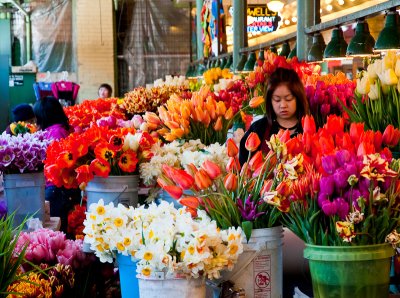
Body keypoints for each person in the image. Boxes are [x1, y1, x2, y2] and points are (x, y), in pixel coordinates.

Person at [239, 67, 310, 165]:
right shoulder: (259, 129)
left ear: (298, 98)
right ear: (270, 101)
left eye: (288, 99)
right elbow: (243, 167)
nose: (283, 105)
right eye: (277, 100)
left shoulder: (309, 128)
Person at [33, 96, 81, 233]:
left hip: (57, 187)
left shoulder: (57, 132)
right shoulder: (56, 129)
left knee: (57, 228)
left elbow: (60, 162)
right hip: (55, 186)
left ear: (44, 115)